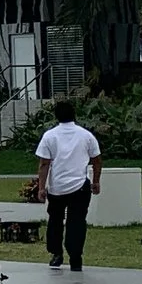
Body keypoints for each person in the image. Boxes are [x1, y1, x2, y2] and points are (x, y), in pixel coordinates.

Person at [34, 98, 103, 274]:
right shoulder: (86, 135)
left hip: (57, 188)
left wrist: (41, 187)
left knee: (55, 221)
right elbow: (96, 160)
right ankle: (76, 257)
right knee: (77, 222)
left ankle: (56, 253)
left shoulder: (49, 136)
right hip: (80, 186)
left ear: (56, 116)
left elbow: (44, 164)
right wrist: (96, 181)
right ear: (74, 115)